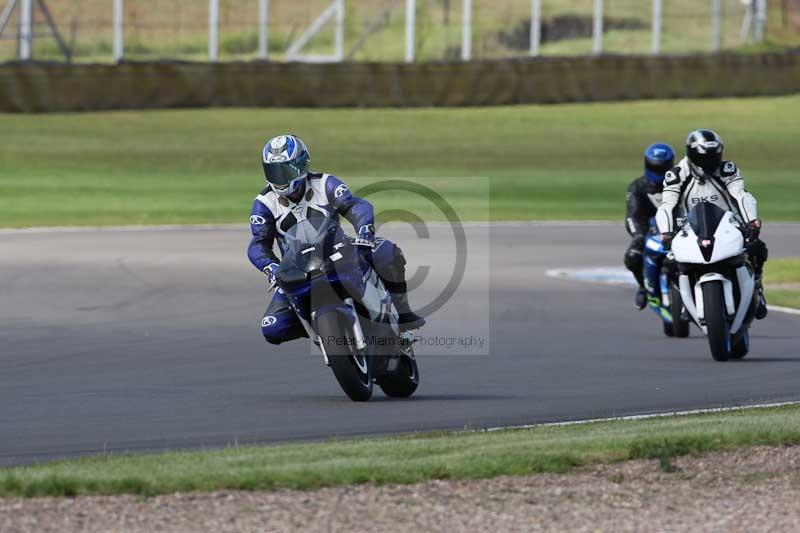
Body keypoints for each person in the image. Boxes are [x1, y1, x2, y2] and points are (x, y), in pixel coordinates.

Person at [247, 134, 426, 345]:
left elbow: (354, 206)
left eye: (285, 170)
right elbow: (259, 243)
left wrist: (364, 232)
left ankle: (403, 316)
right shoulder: (264, 203)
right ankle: (320, 328)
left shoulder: (325, 184)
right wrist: (270, 267)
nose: (280, 178)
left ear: (301, 165)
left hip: (338, 252)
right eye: (274, 171)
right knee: (272, 328)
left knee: (386, 252)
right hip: (295, 270)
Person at [655, 129, 768, 319]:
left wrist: (751, 221)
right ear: (692, 155)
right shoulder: (677, 175)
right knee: (670, 262)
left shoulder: (726, 169)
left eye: (713, 157)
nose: (709, 162)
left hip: (728, 223)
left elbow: (741, 195)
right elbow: (667, 206)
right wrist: (666, 232)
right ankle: (682, 300)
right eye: (703, 158)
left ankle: (757, 286)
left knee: (757, 248)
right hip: (690, 227)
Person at [624, 143, 676, 310]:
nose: (659, 171)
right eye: (655, 167)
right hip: (650, 231)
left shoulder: (681, 184)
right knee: (632, 257)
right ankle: (643, 287)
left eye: (663, 167)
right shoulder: (637, 187)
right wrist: (639, 235)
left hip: (678, 229)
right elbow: (632, 216)